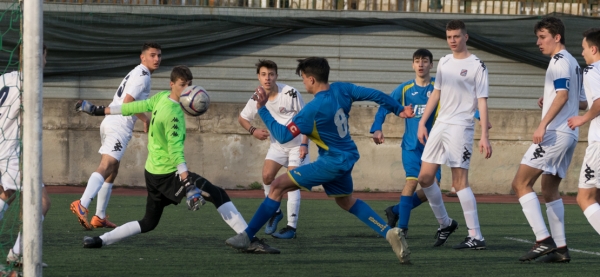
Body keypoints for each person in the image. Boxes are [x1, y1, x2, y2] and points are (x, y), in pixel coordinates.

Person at [225, 57, 416, 264]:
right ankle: (388, 233)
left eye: (304, 79)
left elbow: (281, 135)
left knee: (277, 186)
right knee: (346, 201)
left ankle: (247, 236)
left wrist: (262, 108)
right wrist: (399, 109)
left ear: (312, 79)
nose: (304, 83)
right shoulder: (343, 89)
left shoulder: (311, 110)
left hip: (331, 163)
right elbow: (376, 94)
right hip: (347, 157)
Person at [75, 66, 279, 254]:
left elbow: (132, 107)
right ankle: (249, 240)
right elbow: (176, 152)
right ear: (171, 84)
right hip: (168, 175)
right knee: (218, 193)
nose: (186, 89)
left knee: (148, 222)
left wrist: (97, 110)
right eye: (182, 84)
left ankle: (100, 240)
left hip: (153, 173)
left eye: (189, 84)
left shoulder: (161, 98)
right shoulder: (175, 115)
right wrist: (188, 183)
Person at [511, 17, 586, 263]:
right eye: (538, 37)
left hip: (554, 134)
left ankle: (543, 240)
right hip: (569, 135)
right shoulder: (574, 62)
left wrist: (542, 124)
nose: (538, 42)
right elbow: (578, 100)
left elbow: (563, 96)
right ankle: (561, 248)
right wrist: (550, 97)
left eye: (542, 37)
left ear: (557, 37)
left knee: (520, 184)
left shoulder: (559, 61)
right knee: (549, 189)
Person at [416, 19, 492, 250]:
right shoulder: (444, 61)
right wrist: (422, 122)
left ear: (465, 37)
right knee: (425, 178)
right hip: (440, 124)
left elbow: (482, 101)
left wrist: (484, 135)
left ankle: (476, 236)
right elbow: (436, 93)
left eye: (457, 36)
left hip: (461, 126)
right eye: (449, 36)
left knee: (459, 183)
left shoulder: (478, 65)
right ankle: (445, 223)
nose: (452, 40)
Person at [70, 42, 159, 230]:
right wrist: (146, 119)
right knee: (107, 165)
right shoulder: (143, 76)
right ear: (143, 57)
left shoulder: (138, 72)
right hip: (118, 125)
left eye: (159, 55)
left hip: (112, 123)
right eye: (152, 55)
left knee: (113, 169)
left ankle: (99, 216)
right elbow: (128, 104)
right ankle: (82, 204)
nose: (157, 59)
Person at [370, 48, 442, 236]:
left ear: (431, 65)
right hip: (411, 146)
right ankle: (402, 228)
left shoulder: (438, 88)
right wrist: (377, 127)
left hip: (434, 147)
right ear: (412, 65)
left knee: (432, 189)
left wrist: (479, 116)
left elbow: (459, 103)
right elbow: (384, 106)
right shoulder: (404, 89)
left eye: (425, 61)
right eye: (417, 61)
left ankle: (395, 211)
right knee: (411, 182)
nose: (420, 64)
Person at [238, 59, 308, 239]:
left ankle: (291, 228)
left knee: (291, 184)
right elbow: (242, 118)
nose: (267, 78)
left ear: (276, 76)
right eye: (263, 75)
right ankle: (275, 211)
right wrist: (253, 131)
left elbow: (307, 119)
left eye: (271, 74)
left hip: (296, 145)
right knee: (267, 176)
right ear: (258, 77)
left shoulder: (290, 93)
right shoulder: (257, 97)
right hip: (277, 146)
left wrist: (304, 144)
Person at [0, 45, 51, 267]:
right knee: (42, 202)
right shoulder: (30, 85)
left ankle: (18, 253)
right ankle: (19, 253)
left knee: (6, 195)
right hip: (11, 154)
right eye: (45, 57)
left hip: (3, 150)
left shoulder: (4, 78)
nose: (46, 62)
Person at [568, 28, 600, 236]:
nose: (582, 53)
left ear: (594, 49)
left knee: (585, 197)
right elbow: (590, 102)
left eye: (584, 48)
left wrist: (583, 118)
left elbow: (598, 102)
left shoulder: (591, 71)